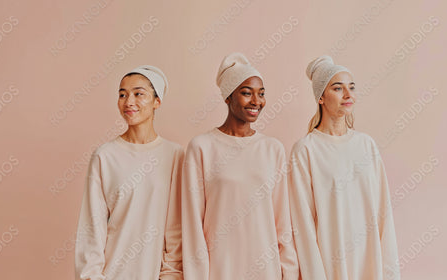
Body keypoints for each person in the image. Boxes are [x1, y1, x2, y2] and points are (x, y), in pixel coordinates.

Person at [181, 53, 299, 280]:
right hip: (219, 270)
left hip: (267, 271)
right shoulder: (201, 147)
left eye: (261, 94)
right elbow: (192, 224)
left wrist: (289, 273)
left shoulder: (272, 149)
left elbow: (282, 223)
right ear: (228, 96)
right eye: (246, 93)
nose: (256, 101)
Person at [289, 55, 401, 280]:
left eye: (351, 87)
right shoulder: (305, 151)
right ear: (321, 97)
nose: (348, 95)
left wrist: (389, 270)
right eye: (338, 88)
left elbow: (383, 211)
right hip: (330, 264)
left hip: (368, 260)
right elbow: (303, 223)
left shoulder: (366, 145)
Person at [75, 65, 184, 280]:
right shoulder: (105, 156)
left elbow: (176, 229)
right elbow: (91, 227)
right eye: (122, 94)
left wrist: (170, 276)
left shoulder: (174, 155)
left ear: (157, 101)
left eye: (138, 94)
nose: (129, 102)